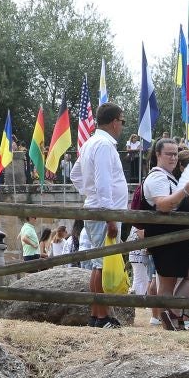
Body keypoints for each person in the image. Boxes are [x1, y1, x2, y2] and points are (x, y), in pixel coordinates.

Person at [73, 102, 128, 328]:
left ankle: (98, 315)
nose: (122, 126)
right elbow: (103, 183)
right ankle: (102, 316)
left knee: (99, 265)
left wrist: (89, 193)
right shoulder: (104, 145)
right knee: (102, 265)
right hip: (104, 212)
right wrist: (110, 217)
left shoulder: (89, 143)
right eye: (122, 122)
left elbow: (77, 175)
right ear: (114, 121)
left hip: (96, 209)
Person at [141, 136, 189, 330]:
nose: (173, 158)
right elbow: (164, 205)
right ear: (158, 155)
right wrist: (185, 191)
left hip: (179, 238)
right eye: (168, 154)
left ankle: (172, 313)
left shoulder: (170, 176)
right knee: (167, 284)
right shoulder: (157, 177)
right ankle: (170, 323)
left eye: (175, 154)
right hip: (166, 236)